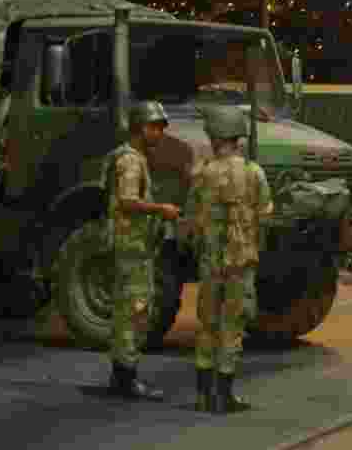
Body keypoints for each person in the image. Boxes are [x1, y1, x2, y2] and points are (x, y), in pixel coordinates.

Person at [186, 106, 272, 413]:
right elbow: (265, 216)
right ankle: (224, 395)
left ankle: (202, 394)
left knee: (207, 324)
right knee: (233, 325)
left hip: (210, 261)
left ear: (214, 136)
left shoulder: (202, 174)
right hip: (241, 261)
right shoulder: (253, 173)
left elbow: (191, 221)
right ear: (238, 136)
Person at [101, 101, 181, 401]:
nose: (159, 133)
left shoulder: (135, 158)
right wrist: (161, 209)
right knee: (132, 310)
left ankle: (122, 376)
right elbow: (127, 200)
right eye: (155, 127)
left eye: (161, 127)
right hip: (130, 246)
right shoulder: (131, 161)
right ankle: (125, 378)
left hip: (134, 245)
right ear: (139, 127)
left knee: (132, 309)